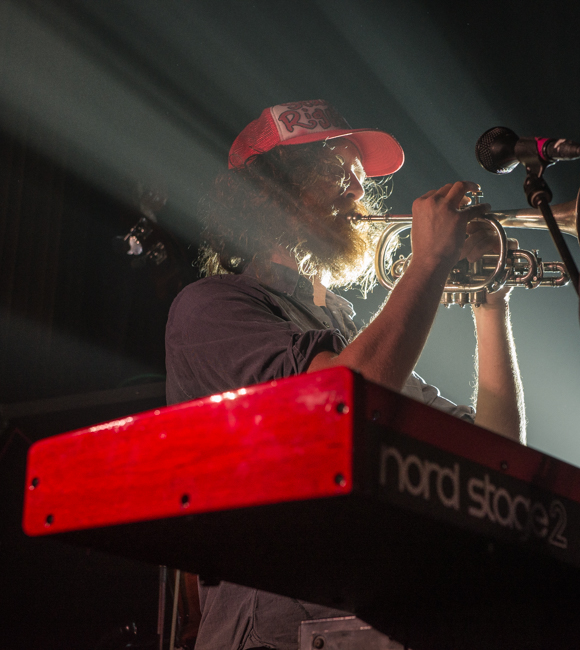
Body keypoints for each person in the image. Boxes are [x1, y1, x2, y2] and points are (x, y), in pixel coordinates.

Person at [165, 99, 525, 650]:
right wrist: (427, 264)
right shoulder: (209, 308)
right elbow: (343, 398)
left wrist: (489, 301)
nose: (358, 193)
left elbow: (497, 452)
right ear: (270, 190)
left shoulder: (350, 331)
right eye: (336, 174)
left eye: (357, 180)